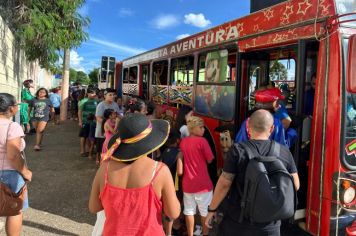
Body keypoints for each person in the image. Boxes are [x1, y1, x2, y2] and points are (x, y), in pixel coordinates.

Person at [205, 109, 300, 236]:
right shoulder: (284, 151)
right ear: (271, 129)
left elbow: (224, 184)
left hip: (239, 222)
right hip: (271, 226)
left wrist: (212, 209)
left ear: (248, 128)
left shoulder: (238, 150)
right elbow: (295, 185)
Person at [89, 113, 180, 235]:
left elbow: (94, 207)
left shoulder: (104, 169)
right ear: (150, 142)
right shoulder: (159, 171)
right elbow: (173, 212)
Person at [0, 93, 32, 236]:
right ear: (12, 109)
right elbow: (13, 155)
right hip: (9, 174)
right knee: (14, 210)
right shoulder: (12, 126)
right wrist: (25, 172)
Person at [177, 116, 214, 236]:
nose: (203, 129)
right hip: (203, 184)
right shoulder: (202, 141)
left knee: (189, 211)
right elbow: (210, 160)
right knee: (204, 212)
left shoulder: (184, 142)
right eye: (201, 127)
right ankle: (205, 234)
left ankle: (190, 234)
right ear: (193, 129)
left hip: (188, 184)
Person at [160, 131, 181, 235]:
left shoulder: (165, 152)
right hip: (175, 183)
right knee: (174, 206)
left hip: (163, 183)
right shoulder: (179, 152)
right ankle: (175, 228)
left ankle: (167, 230)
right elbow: (180, 171)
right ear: (177, 141)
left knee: (165, 206)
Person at [95, 88, 121, 162]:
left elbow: (118, 115)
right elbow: (98, 118)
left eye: (113, 95)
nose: (112, 96)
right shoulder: (101, 105)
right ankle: (98, 159)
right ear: (105, 96)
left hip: (113, 131)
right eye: (110, 95)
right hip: (103, 130)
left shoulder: (115, 104)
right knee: (100, 146)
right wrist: (107, 123)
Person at [78, 88, 98, 157]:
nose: (93, 95)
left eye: (94, 93)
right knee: (84, 136)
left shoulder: (96, 101)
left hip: (93, 122)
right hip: (85, 121)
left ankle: (89, 150)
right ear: (87, 94)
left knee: (90, 136)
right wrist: (80, 121)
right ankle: (82, 151)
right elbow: (80, 111)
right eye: (92, 93)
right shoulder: (83, 101)